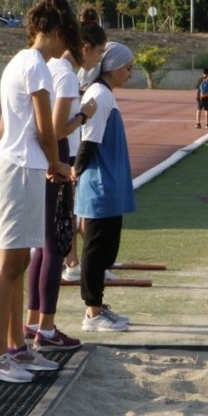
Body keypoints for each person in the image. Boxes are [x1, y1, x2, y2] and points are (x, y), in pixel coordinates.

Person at [0, 0, 81, 383]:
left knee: (20, 263)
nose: (65, 51)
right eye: (66, 40)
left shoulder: (19, 63)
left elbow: (7, 126)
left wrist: (47, 163)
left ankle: (16, 348)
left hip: (20, 166)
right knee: (8, 266)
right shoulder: (38, 66)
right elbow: (46, 129)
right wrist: (57, 164)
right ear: (55, 32)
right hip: (20, 170)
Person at [26, 7, 107, 352]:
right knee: (54, 246)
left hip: (48, 161)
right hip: (55, 162)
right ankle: (45, 326)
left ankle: (34, 321)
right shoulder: (64, 74)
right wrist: (83, 116)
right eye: (100, 52)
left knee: (42, 247)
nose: (100, 59)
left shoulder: (50, 69)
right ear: (84, 47)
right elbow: (56, 128)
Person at [74, 41, 138, 332]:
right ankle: (92, 312)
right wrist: (75, 173)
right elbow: (89, 142)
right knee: (96, 251)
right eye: (128, 67)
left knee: (106, 251)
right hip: (99, 184)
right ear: (112, 67)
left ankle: (98, 306)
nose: (130, 73)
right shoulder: (98, 94)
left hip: (109, 184)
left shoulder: (106, 95)